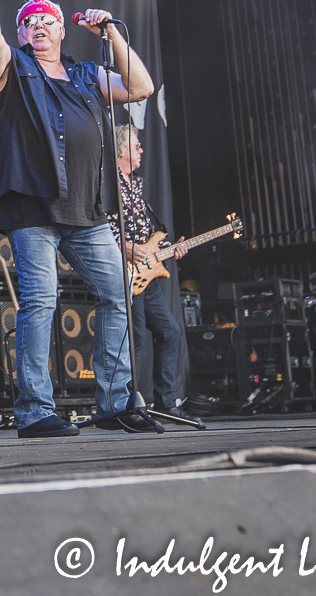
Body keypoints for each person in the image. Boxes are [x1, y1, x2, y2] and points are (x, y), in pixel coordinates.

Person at [0, 0, 155, 437]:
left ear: (62, 27)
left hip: (87, 210)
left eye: (47, 18)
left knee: (118, 295)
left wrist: (109, 31)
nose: (39, 25)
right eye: (29, 21)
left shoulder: (86, 74)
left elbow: (140, 88)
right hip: (33, 208)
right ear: (21, 33)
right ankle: (34, 411)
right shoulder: (13, 70)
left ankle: (114, 403)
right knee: (40, 301)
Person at [114, 124, 185, 418]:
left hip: (148, 274)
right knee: (135, 340)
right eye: (135, 145)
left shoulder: (136, 188)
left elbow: (149, 236)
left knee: (169, 332)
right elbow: (99, 226)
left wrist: (171, 248)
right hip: (125, 273)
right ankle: (123, 404)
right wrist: (125, 246)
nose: (141, 150)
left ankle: (166, 402)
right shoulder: (110, 185)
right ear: (120, 150)